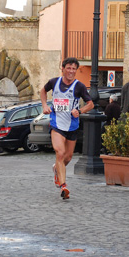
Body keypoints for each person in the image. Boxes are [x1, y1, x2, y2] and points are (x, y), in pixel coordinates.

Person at [40, 57, 94, 200]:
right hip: (56, 124)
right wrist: (45, 105)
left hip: (72, 125)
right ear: (63, 69)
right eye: (68, 68)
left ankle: (57, 169)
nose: (71, 71)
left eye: (74, 69)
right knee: (60, 152)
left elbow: (90, 104)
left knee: (68, 157)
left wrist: (80, 111)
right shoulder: (54, 82)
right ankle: (63, 186)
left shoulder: (79, 86)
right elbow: (42, 91)